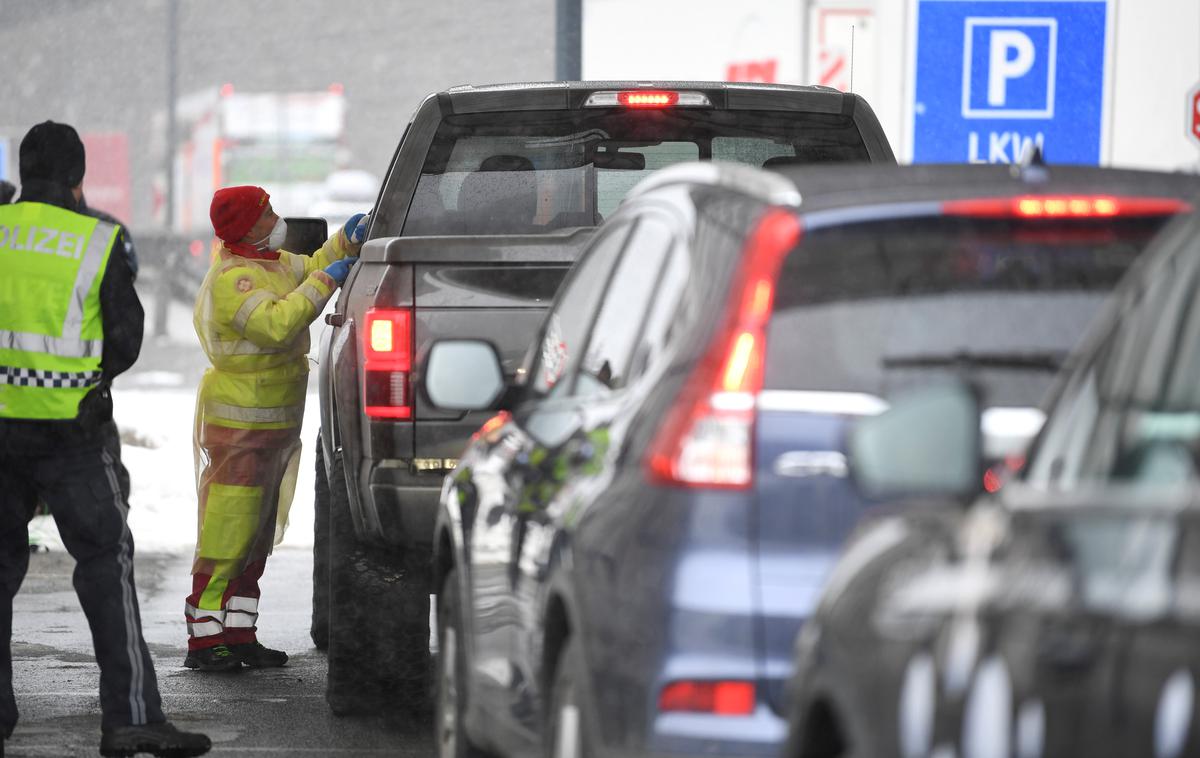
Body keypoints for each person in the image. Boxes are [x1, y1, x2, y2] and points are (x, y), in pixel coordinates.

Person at [0, 121, 210, 756]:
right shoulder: (99, 237)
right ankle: (130, 718)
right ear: (77, 177)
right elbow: (124, 339)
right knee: (104, 566)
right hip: (72, 435)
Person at [185, 185, 365, 672]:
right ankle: (205, 639)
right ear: (246, 227)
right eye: (267, 214)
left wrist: (346, 242)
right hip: (237, 428)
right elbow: (278, 323)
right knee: (228, 532)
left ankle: (240, 632)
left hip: (274, 428)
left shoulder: (274, 262)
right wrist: (328, 279)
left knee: (258, 534)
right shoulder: (233, 279)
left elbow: (310, 266)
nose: (277, 218)